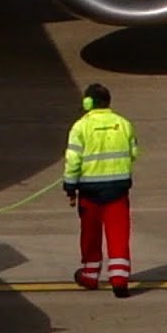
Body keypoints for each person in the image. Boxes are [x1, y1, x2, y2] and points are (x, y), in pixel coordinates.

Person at [64, 83, 139, 298]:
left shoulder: (81, 127)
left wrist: (70, 186)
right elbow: (133, 152)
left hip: (90, 192)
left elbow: (72, 160)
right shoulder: (123, 124)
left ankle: (89, 275)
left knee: (90, 234)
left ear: (87, 103)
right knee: (119, 234)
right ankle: (119, 279)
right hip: (118, 190)